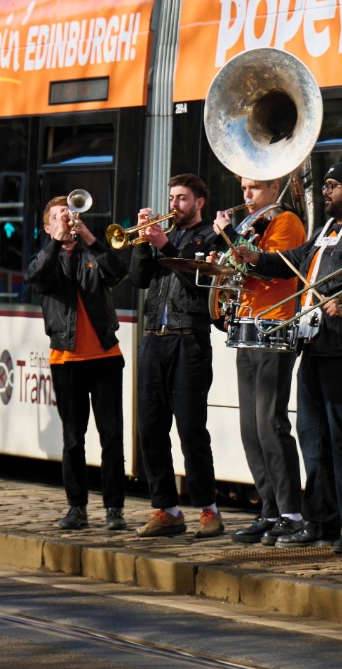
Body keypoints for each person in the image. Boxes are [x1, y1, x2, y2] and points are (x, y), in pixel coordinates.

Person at [230, 161, 342, 554]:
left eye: (332, 185)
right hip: (315, 345)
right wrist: (255, 259)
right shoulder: (326, 229)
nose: (324, 190)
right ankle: (321, 520)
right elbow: (295, 258)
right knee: (312, 438)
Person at [25, 196, 130, 532]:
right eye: (59, 216)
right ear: (47, 226)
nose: (66, 220)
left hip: (105, 357)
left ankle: (114, 509)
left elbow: (118, 272)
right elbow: (36, 276)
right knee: (73, 438)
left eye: (69, 215)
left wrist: (88, 236)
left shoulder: (91, 253)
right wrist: (56, 242)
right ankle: (77, 509)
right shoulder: (46, 258)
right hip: (66, 361)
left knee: (112, 436)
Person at [212, 177, 307, 545]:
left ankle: (291, 512)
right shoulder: (253, 224)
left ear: (274, 188)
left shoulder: (286, 222)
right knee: (250, 426)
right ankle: (269, 509)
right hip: (247, 324)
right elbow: (239, 270)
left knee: (270, 422)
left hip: (275, 323)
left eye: (254, 188)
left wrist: (229, 239)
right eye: (243, 188)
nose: (246, 195)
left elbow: (269, 267)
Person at [130, 173, 225, 538]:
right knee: (150, 427)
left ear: (200, 203)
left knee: (190, 429)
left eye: (182, 199)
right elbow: (139, 279)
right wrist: (142, 242)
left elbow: (199, 286)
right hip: (155, 337)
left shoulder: (209, 238)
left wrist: (167, 246)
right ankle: (166, 509)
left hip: (189, 340)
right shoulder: (160, 236)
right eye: (171, 197)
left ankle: (208, 509)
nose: (174, 205)